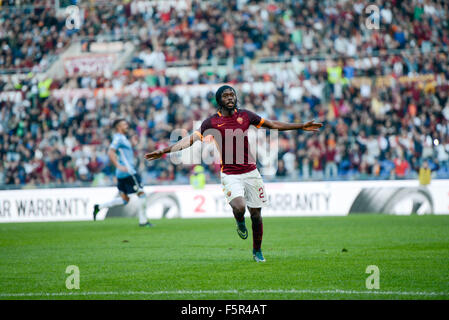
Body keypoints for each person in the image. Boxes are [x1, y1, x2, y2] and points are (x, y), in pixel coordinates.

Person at [144, 85, 322, 262]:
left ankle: (257, 251)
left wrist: (300, 126)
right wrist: (165, 151)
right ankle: (239, 221)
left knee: (256, 215)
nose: (230, 98)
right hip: (230, 174)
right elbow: (190, 140)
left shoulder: (245, 115)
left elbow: (272, 124)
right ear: (219, 100)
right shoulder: (211, 122)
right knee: (239, 207)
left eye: (232, 95)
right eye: (226, 96)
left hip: (251, 171)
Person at [92, 118, 153, 227]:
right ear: (118, 127)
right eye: (124, 124)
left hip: (121, 175)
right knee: (142, 194)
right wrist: (118, 166)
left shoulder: (123, 139)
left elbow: (123, 153)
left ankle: (99, 207)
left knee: (125, 200)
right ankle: (143, 222)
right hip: (129, 172)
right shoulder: (118, 138)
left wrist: (133, 144)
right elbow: (110, 152)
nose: (127, 126)